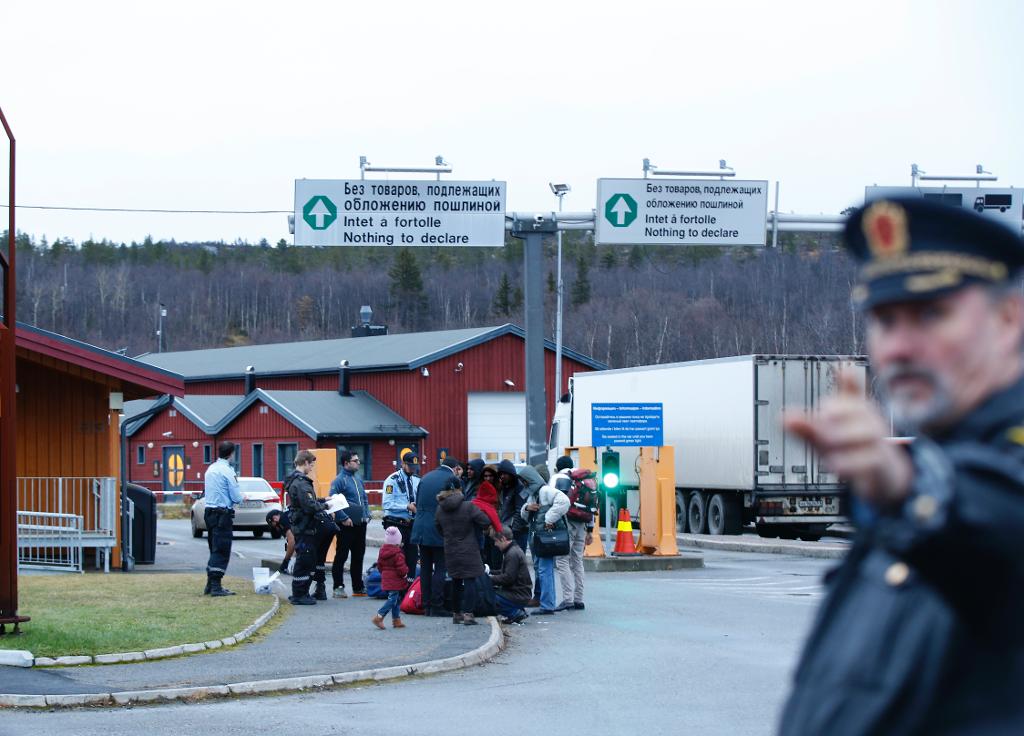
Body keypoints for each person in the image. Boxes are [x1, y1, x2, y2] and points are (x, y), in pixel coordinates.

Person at [779, 197, 1024, 734]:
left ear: (1010, 318)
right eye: (885, 321)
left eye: (932, 314)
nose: (901, 347)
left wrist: (908, 486)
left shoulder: (952, 488)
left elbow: (996, 517)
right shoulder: (935, 468)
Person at [435, 484, 493, 625]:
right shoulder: (468, 506)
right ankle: (468, 615)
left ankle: (456, 614)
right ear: (458, 490)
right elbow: (485, 521)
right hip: (468, 549)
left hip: (450, 549)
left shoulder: (440, 508)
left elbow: (438, 528)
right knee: (469, 580)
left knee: (455, 580)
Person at [412, 457, 461, 617]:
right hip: (439, 528)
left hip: (420, 528)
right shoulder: (450, 480)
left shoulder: (425, 477)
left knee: (425, 568)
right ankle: (437, 605)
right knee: (440, 567)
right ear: (455, 468)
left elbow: (418, 502)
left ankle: (426, 605)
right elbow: (455, 506)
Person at [521, 475, 570, 615]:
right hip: (540, 538)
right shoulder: (534, 495)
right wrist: (527, 508)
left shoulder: (545, 491)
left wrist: (549, 518)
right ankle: (547, 603)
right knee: (543, 570)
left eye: (525, 481)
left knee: (544, 570)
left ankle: (547, 605)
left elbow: (564, 502)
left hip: (544, 538)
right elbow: (525, 517)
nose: (524, 484)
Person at [284, 450, 327, 605]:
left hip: (300, 525)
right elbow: (308, 505)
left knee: (305, 558)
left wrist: (322, 500)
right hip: (305, 525)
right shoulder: (301, 483)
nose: (312, 468)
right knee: (305, 560)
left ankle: (300, 592)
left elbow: (307, 501)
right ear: (306, 463)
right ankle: (299, 594)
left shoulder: (294, 480)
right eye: (311, 465)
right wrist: (326, 505)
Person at [552, 455, 594, 611]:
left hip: (567, 523)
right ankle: (579, 599)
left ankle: (567, 599)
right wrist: (590, 529)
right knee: (577, 560)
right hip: (583, 523)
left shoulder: (558, 478)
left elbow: (554, 503)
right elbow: (591, 505)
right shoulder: (584, 480)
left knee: (562, 560)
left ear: (557, 467)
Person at [203, 441, 242, 596]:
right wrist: (240, 497)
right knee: (222, 549)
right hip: (222, 514)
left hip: (209, 513)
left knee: (214, 548)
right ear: (231, 453)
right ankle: (216, 586)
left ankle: (209, 584)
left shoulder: (210, 469)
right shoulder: (227, 471)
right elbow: (236, 497)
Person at [329, 450, 370, 598]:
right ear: (346, 463)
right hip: (346, 525)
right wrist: (343, 518)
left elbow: (364, 499)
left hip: (360, 524)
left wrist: (367, 514)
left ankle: (358, 587)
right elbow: (333, 501)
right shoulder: (339, 480)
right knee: (342, 555)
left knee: (358, 555)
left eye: (358, 460)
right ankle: (338, 587)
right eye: (355, 460)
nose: (359, 463)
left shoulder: (358, 479)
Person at [382, 452, 420, 582]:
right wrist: (407, 506)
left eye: (415, 466)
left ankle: (409, 586)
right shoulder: (392, 480)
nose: (413, 469)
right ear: (403, 464)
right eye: (410, 466)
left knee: (412, 556)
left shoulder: (416, 480)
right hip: (396, 524)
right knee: (397, 557)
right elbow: (387, 504)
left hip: (411, 524)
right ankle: (395, 587)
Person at [489, 526, 533, 625]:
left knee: (487, 596)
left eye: (496, 541)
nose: (495, 544)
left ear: (503, 539)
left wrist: (488, 579)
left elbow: (508, 578)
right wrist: (491, 572)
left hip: (519, 594)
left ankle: (514, 613)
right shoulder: (513, 550)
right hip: (520, 592)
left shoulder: (512, 554)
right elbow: (507, 572)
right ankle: (515, 610)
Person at [372, 526, 409, 630]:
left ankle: (396, 619)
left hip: (386, 578)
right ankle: (379, 616)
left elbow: (379, 565)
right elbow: (401, 569)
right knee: (393, 599)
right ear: (398, 541)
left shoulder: (382, 551)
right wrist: (405, 573)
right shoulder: (398, 554)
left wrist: (384, 573)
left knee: (396, 599)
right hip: (396, 580)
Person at [496, 459, 530, 551]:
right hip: (507, 530)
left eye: (505, 474)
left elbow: (520, 510)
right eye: (500, 474)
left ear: (511, 473)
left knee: (517, 558)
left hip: (517, 531)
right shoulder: (503, 486)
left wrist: (513, 531)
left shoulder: (519, 487)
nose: (502, 476)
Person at [472, 466, 502, 567]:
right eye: (485, 476)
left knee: (496, 556)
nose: (488, 478)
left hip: (498, 526)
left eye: (490, 476)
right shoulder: (480, 488)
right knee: (486, 556)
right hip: (484, 527)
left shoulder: (500, 489)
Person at [265, 509, 295, 574]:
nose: (277, 528)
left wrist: (286, 560)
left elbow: (292, 541)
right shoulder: (286, 516)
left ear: (275, 518)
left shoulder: (283, 520)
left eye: (275, 526)